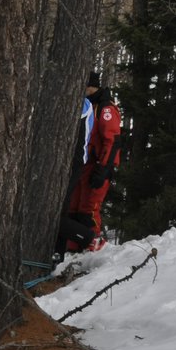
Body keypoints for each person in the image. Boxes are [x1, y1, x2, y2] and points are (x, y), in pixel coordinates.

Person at [63, 72, 123, 252]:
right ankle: (72, 248)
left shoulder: (105, 108)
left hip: (98, 166)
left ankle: (92, 248)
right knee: (72, 207)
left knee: (89, 209)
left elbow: (112, 141)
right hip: (83, 164)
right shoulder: (87, 105)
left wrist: (103, 169)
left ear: (91, 86)